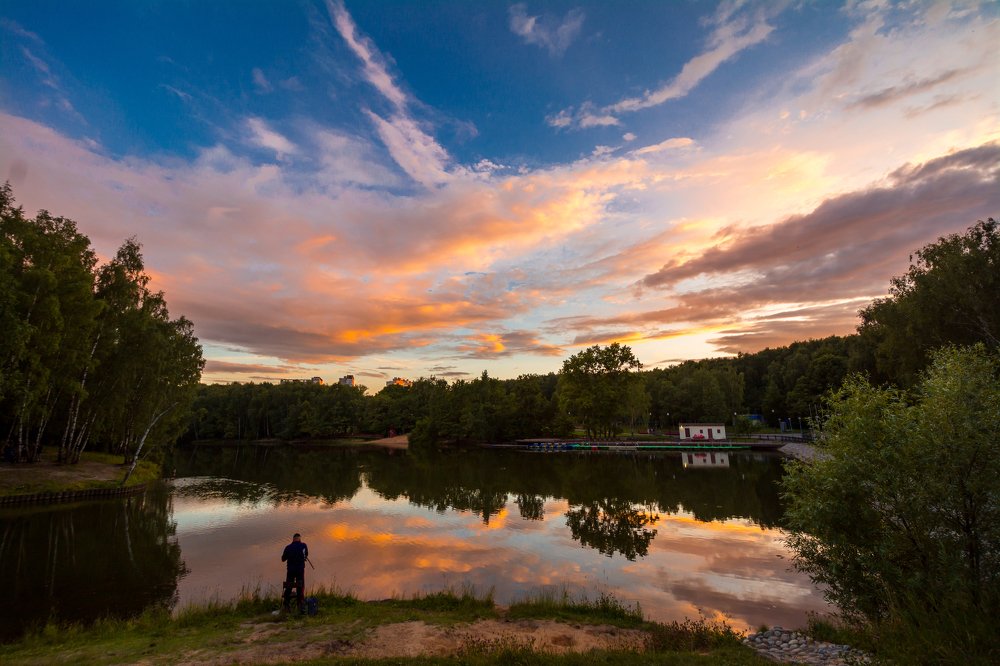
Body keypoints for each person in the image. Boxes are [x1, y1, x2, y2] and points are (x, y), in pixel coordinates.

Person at [281, 532, 309, 613]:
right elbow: (306, 555)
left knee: (289, 587)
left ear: (293, 539)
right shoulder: (303, 545)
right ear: (299, 539)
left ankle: (286, 605)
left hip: (290, 571)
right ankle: (300, 607)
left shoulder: (288, 547)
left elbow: (283, 559)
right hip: (300, 570)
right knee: (300, 587)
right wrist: (303, 558)